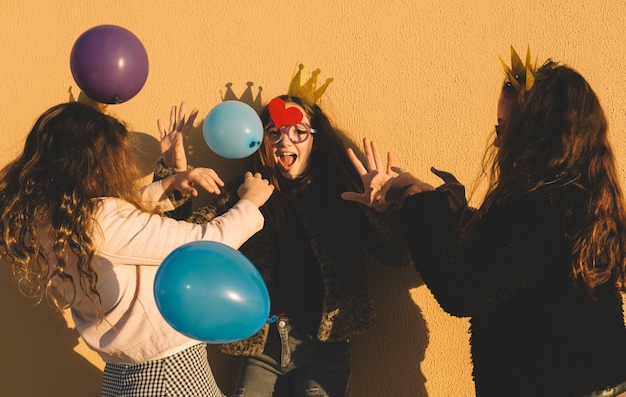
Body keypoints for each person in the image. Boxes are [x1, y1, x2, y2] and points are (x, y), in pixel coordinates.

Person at [346, 49, 626, 397]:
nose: (497, 138)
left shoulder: (540, 204)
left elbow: (464, 290)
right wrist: (461, 216)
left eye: (503, 126)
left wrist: (414, 193)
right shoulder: (579, 196)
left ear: (535, 133)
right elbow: (520, 265)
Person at [155, 65, 411, 397]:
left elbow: (396, 255)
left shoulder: (343, 194)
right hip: (260, 345)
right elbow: (179, 242)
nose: (284, 140)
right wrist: (172, 175)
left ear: (314, 141)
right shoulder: (246, 193)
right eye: (274, 132)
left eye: (297, 132)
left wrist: (381, 210)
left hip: (322, 343)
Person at [0, 102, 274, 397]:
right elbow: (205, 244)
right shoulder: (101, 220)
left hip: (121, 375)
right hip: (168, 371)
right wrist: (249, 204)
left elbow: (118, 229)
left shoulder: (50, 221)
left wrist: (167, 183)